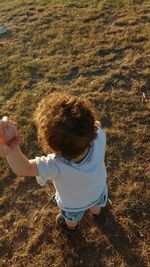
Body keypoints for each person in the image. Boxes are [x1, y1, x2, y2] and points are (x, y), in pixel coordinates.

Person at [4, 94, 108, 232]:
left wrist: (11, 147)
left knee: (72, 217)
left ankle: (71, 226)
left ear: (52, 147)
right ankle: (97, 213)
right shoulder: (99, 135)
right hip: (98, 191)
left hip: (73, 204)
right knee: (96, 204)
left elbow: (24, 168)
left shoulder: (55, 165)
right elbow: (97, 124)